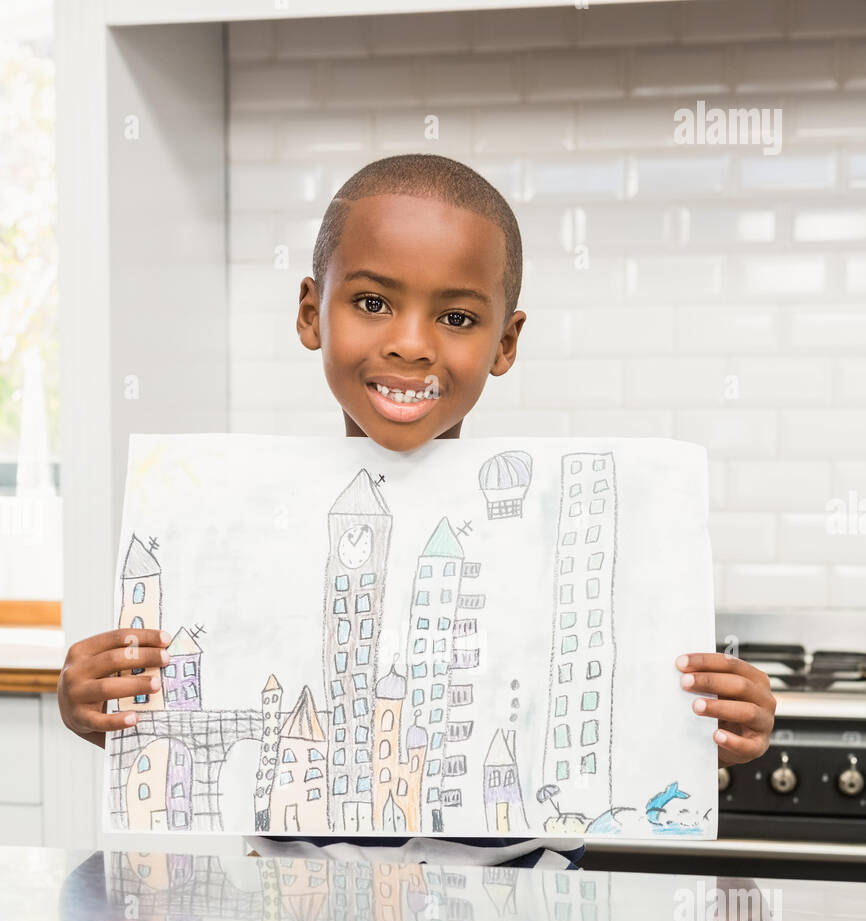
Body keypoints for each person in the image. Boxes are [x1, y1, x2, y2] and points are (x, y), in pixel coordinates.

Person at [56, 154, 776, 870]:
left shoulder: (549, 551)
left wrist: (719, 718)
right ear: (311, 314)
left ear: (506, 343)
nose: (409, 341)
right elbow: (198, 722)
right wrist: (103, 711)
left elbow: (623, 726)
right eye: (371, 303)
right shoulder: (246, 542)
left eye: (457, 316)